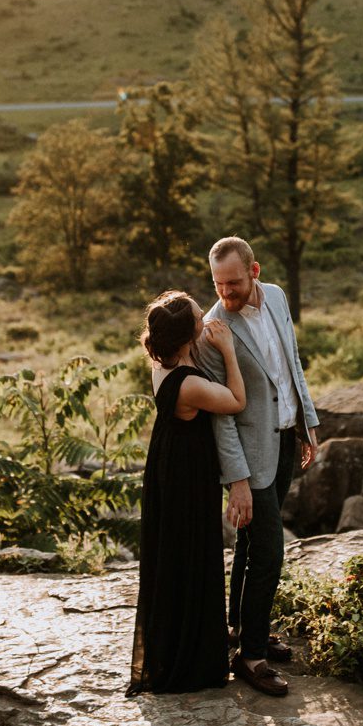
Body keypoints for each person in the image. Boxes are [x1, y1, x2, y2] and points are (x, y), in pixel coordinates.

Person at [193, 236, 320, 698]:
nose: (225, 293)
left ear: (255, 271)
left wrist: (307, 422)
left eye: (233, 283)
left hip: (285, 437)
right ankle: (251, 657)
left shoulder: (280, 298)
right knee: (270, 552)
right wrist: (238, 482)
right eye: (217, 284)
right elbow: (221, 416)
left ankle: (241, 628)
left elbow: (292, 366)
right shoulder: (212, 330)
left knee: (251, 544)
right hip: (249, 456)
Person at [126, 289, 247, 696]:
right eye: (199, 316)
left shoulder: (165, 363)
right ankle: (191, 660)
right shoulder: (188, 383)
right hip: (187, 474)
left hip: (168, 463)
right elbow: (236, 401)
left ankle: (183, 643)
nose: (204, 317)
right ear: (187, 334)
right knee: (194, 554)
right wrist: (228, 350)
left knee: (175, 556)